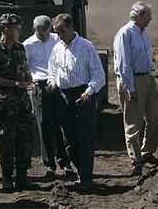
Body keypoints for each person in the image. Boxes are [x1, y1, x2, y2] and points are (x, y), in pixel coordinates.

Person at [47, 13, 105, 191]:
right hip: (63, 96)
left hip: (82, 96)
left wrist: (89, 92)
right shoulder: (57, 48)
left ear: (71, 28)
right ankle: (81, 171)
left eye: (62, 31)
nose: (60, 35)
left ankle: (86, 177)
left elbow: (99, 76)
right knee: (69, 139)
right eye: (57, 32)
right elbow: (53, 70)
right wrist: (52, 82)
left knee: (84, 138)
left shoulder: (86, 47)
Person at [0, 13, 36, 192]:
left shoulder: (20, 48)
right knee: (6, 142)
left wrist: (29, 80)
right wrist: (16, 84)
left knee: (24, 141)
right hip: (4, 104)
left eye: (18, 28)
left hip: (22, 103)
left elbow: (25, 69)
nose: (17, 31)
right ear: (4, 29)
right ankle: (7, 179)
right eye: (14, 28)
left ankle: (22, 177)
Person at [113, 1, 158, 176]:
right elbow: (123, 64)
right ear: (139, 16)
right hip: (132, 80)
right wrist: (129, 87)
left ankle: (147, 152)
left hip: (147, 78)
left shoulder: (143, 34)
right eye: (148, 15)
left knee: (155, 117)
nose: (151, 19)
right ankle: (136, 161)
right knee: (134, 122)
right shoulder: (125, 34)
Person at [23, 15, 74, 180]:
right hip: (39, 86)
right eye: (39, 31)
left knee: (61, 123)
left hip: (58, 84)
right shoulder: (27, 45)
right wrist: (30, 83)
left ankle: (64, 161)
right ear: (34, 29)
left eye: (45, 31)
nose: (43, 34)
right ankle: (49, 164)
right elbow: (26, 67)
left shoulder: (57, 40)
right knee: (43, 124)